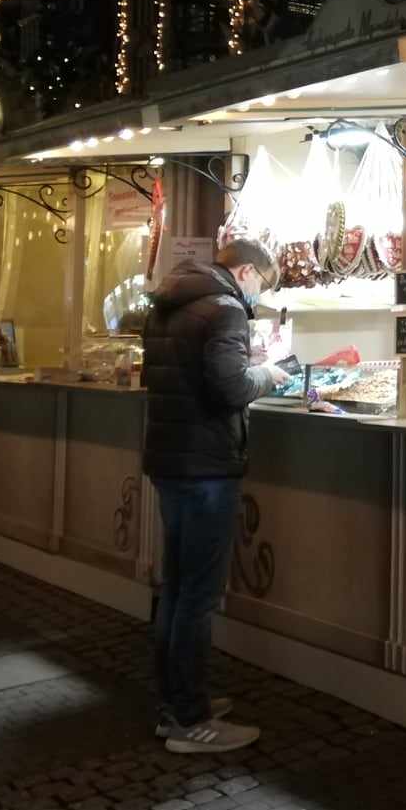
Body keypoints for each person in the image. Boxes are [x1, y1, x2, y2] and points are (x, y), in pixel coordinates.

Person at [141, 240, 289, 753]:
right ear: (246, 271)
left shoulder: (167, 305)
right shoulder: (226, 311)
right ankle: (190, 719)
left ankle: (174, 703)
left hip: (170, 462)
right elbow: (229, 388)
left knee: (177, 590)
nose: (256, 297)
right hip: (206, 469)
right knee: (197, 598)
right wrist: (268, 374)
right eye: (261, 285)